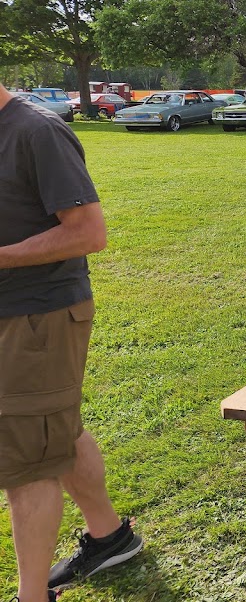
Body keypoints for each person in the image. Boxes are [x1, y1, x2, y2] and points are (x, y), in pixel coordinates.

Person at [0, 82, 143, 602]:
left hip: (37, 315)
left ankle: (31, 596)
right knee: (52, 427)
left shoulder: (37, 131)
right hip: (11, 312)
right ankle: (110, 536)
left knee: (27, 458)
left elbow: (87, 233)